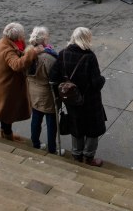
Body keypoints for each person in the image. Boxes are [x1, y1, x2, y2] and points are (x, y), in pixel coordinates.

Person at [50, 27, 107, 166]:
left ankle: (76, 154)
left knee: (76, 126)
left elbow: (53, 77)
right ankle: (88, 157)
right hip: (89, 100)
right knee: (93, 128)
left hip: (71, 99)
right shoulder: (89, 57)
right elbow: (96, 83)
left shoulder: (63, 54)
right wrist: (102, 79)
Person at [0, 22, 39, 141]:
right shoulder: (6, 49)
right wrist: (32, 53)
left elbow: (20, 51)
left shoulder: (6, 42)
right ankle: (7, 135)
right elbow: (17, 65)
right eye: (21, 35)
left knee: (6, 109)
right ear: (15, 37)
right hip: (7, 86)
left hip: (7, 83)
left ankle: (5, 132)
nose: (23, 36)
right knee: (7, 111)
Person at [25, 26, 58, 154]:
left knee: (36, 118)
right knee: (51, 123)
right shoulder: (49, 58)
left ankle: (35, 143)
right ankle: (52, 148)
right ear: (44, 39)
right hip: (47, 94)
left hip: (33, 91)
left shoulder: (27, 53)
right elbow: (55, 77)